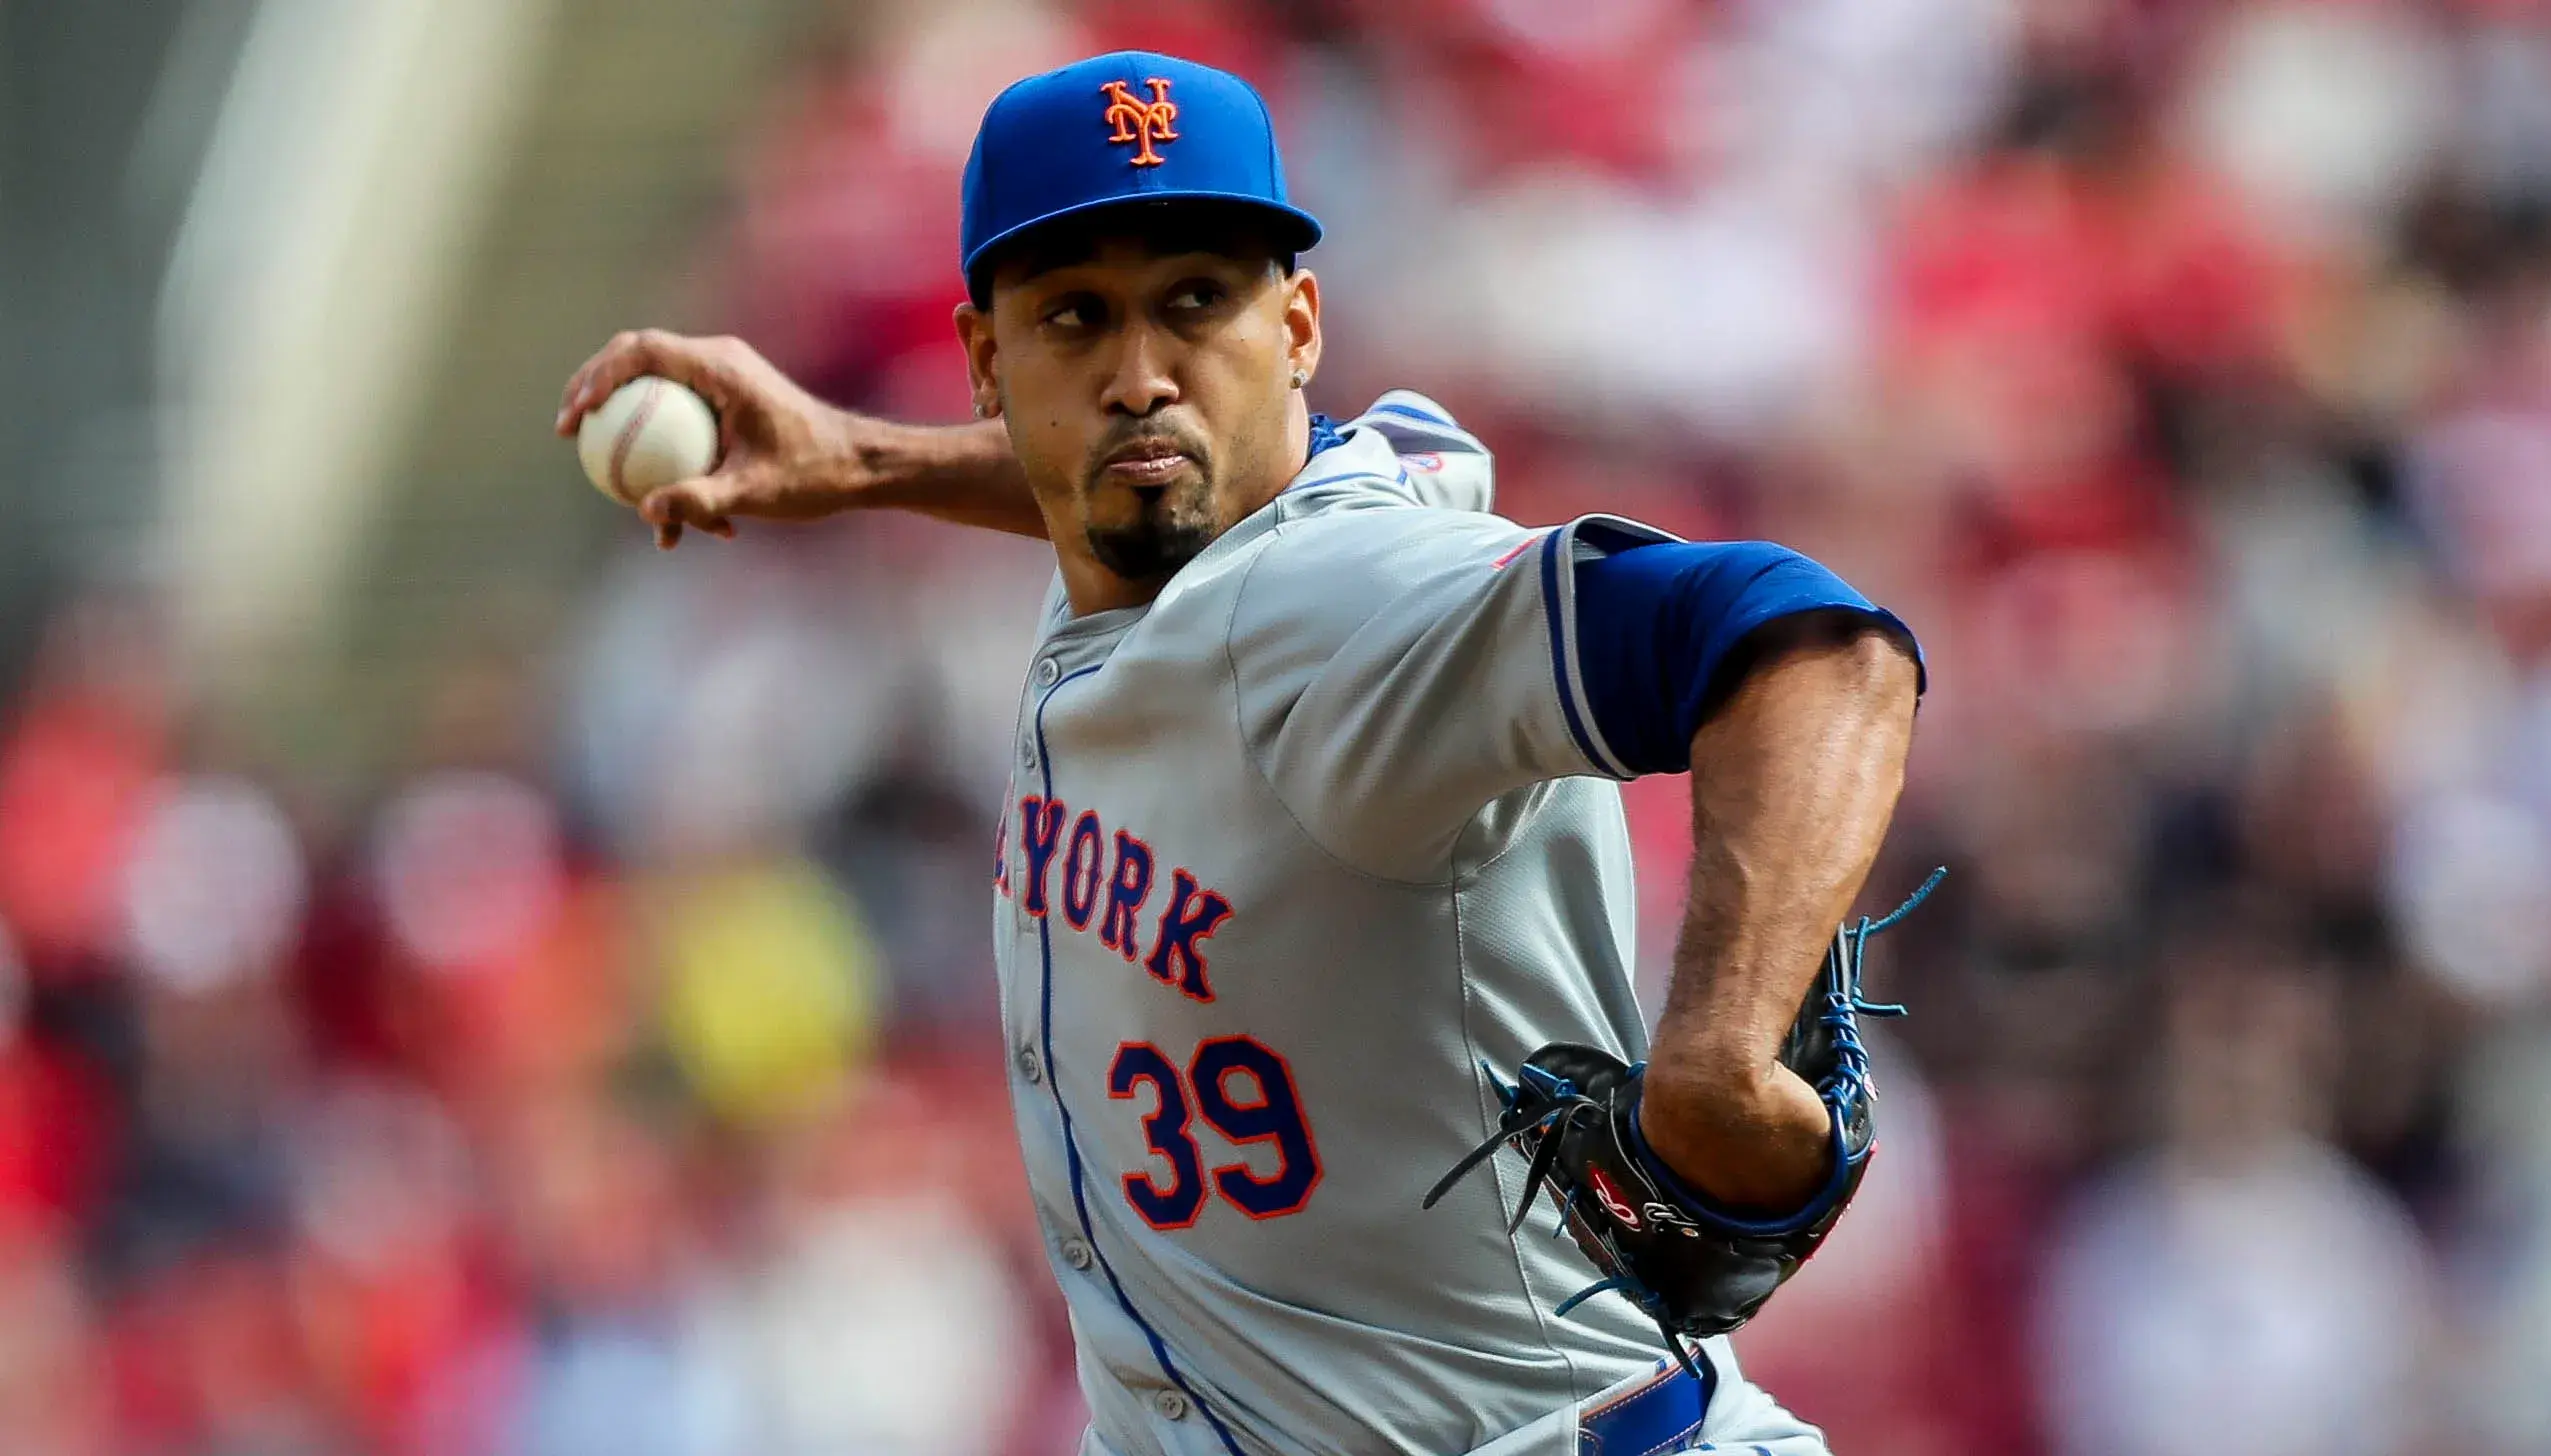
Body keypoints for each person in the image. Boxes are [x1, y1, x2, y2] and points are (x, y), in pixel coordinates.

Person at [557, 51, 1921, 1456]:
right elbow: (1125, 483)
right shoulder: (1175, 542)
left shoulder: (1344, 613)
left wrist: (1717, 1055)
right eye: (1076, 318)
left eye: (1197, 302)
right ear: (987, 361)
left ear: (1299, 323)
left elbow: (1818, 648)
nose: (1142, 376)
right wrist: (860, 458)